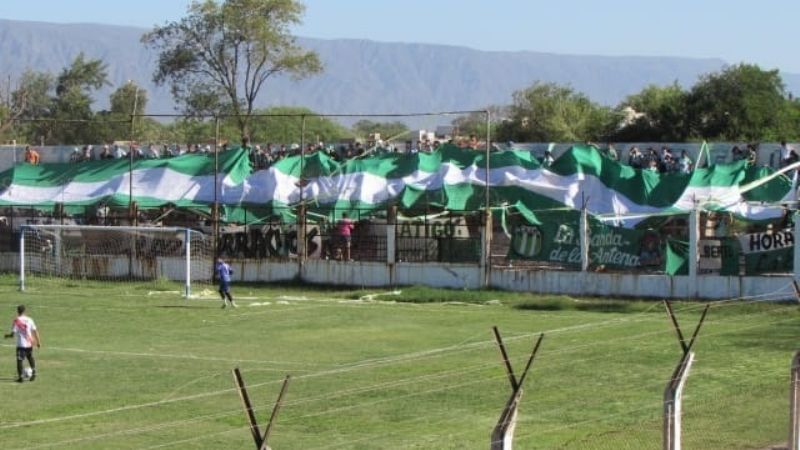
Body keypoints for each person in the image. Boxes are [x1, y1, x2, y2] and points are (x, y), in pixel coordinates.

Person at [4, 305, 40, 383]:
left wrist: (7, 336)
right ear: (24, 311)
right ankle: (34, 372)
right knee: (30, 357)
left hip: (21, 345)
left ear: (18, 311)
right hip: (29, 344)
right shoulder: (30, 319)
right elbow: (35, 330)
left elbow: (12, 334)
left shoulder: (16, 320)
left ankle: (20, 377)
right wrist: (38, 342)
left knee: (19, 360)